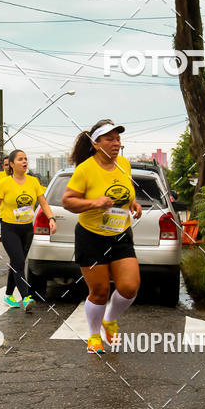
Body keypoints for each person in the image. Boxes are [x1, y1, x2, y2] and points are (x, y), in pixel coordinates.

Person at [62, 120, 142, 355]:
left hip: (120, 234)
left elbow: (124, 193)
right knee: (99, 292)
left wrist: (133, 203)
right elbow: (68, 201)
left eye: (117, 139)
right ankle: (94, 335)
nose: (116, 143)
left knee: (129, 287)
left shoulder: (124, 164)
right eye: (109, 139)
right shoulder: (85, 169)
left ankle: (110, 319)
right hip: (91, 237)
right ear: (96, 144)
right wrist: (94, 203)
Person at [0, 149, 56, 311]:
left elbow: (43, 202)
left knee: (16, 263)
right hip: (9, 228)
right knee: (19, 262)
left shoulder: (33, 182)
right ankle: (26, 296)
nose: (24, 161)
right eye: (20, 159)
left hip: (27, 228)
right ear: (11, 164)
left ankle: (8, 294)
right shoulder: (4, 183)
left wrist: (51, 218)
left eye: (26, 159)